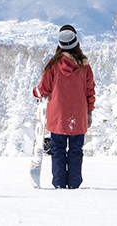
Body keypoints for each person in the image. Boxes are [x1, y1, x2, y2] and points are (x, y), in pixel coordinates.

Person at [33, 24, 96, 189]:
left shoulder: (52, 65)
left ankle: (59, 184)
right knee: (76, 151)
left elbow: (42, 89)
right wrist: (89, 111)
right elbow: (90, 91)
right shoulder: (84, 65)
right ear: (76, 42)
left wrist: (36, 92)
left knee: (58, 150)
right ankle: (74, 184)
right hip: (79, 115)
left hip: (57, 116)